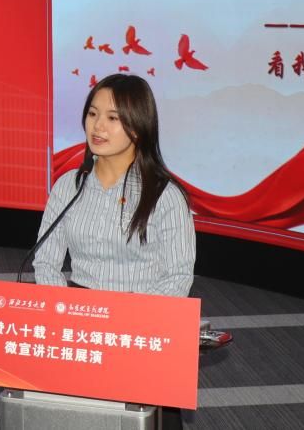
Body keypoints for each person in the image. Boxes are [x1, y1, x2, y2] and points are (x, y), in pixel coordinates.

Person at [33, 74, 195, 427]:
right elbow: (45, 261)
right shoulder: (68, 186)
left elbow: (178, 275)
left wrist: (129, 320)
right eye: (93, 114)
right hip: (79, 322)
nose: (98, 126)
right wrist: (63, 312)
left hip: (141, 326)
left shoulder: (164, 195)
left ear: (137, 127)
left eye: (112, 118)